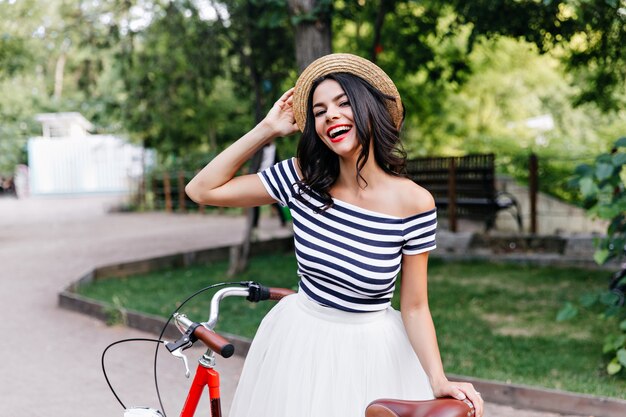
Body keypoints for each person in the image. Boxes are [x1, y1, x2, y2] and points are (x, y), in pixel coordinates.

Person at [186, 53, 483, 417]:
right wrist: (267, 129)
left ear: (369, 110)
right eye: (319, 110)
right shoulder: (301, 178)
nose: (331, 116)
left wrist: (438, 379)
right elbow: (202, 190)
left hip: (374, 352)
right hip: (298, 343)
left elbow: (416, 305)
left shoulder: (414, 202)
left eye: (343, 103)